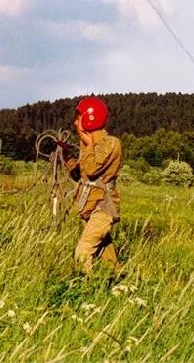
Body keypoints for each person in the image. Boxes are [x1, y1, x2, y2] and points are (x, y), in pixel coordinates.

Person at [61, 96, 122, 275]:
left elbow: (92, 168)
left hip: (103, 208)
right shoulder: (88, 144)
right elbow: (81, 175)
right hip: (89, 207)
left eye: (79, 117)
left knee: (83, 252)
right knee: (107, 254)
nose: (75, 121)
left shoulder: (111, 143)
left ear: (90, 118)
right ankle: (120, 280)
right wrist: (66, 156)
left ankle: (86, 290)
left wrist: (87, 144)